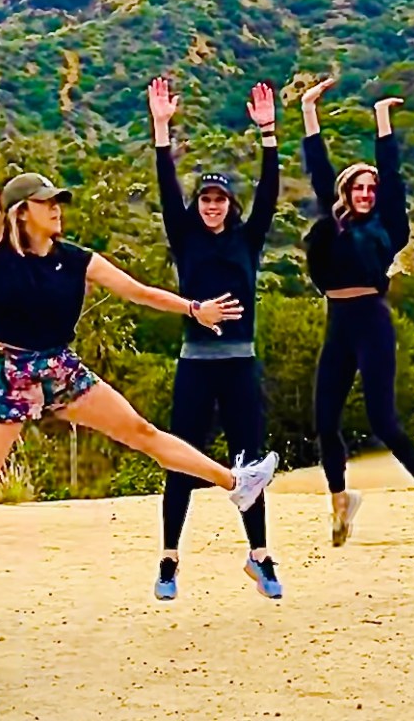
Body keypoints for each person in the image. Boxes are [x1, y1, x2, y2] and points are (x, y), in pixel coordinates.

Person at [0, 69, 279, 594]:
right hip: (9, 372)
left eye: (58, 203)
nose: (57, 211)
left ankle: (235, 484)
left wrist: (192, 308)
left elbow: (139, 291)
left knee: (143, 434)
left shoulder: (76, 259)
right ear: (23, 213)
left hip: (58, 366)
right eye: (47, 204)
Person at [300, 77, 414, 547]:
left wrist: (382, 120)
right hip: (338, 321)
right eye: (358, 186)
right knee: (324, 419)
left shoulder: (389, 224)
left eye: (372, 187)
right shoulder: (334, 220)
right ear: (346, 191)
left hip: (372, 320)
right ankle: (341, 500)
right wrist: (309, 109)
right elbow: (317, 167)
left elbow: (392, 170)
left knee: (382, 420)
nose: (366, 192)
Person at [147, 77, 283, 601]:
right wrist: (162, 130)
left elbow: (270, 192)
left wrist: (268, 134)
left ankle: (261, 557)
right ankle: (169, 560)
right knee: (181, 457)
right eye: (204, 198)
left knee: (250, 462)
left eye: (219, 199)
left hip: (240, 362)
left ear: (230, 204)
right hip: (196, 362)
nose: (210, 205)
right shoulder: (184, 237)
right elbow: (165, 188)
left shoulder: (247, 239)